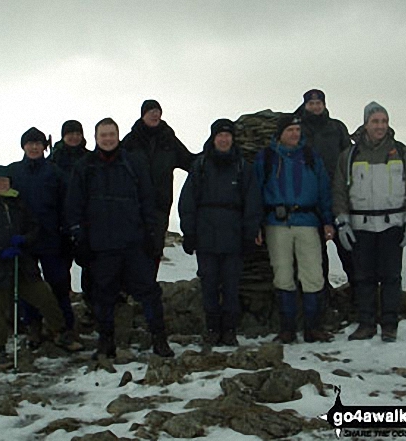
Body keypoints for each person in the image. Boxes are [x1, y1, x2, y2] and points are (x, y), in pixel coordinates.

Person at [66, 117, 174, 359]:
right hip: (101, 246)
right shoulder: (85, 167)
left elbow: (148, 200)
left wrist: (151, 235)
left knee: (149, 292)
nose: (107, 139)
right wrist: (79, 239)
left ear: (117, 135)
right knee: (103, 296)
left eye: (111, 134)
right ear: (95, 138)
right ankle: (106, 343)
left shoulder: (133, 163)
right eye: (103, 135)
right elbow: (74, 206)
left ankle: (159, 339)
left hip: (133, 243)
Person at [333, 102, 406, 342]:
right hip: (360, 226)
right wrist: (342, 221)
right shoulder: (350, 156)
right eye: (375, 121)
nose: (380, 126)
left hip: (392, 225)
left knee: (392, 276)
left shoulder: (403, 153)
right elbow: (339, 190)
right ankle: (366, 324)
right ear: (365, 124)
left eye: (384, 121)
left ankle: (390, 325)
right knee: (363, 277)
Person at [0, 166, 71, 368]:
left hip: (22, 264)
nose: (2, 184)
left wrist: (24, 240)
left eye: (5, 180)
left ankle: (61, 332)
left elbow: (34, 227)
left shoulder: (19, 204)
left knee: (44, 295)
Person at [178, 119, 262, 346]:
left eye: (227, 135)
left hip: (233, 237)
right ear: (213, 138)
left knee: (232, 285)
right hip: (206, 237)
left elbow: (253, 203)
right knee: (209, 285)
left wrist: (249, 234)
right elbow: (187, 201)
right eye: (220, 135)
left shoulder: (243, 167)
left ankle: (230, 330)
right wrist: (189, 232)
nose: (224, 139)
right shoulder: (201, 166)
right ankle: (213, 328)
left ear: (232, 138)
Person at [255, 115, 335, 344]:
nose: (295, 134)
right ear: (280, 133)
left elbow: (324, 190)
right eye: (290, 129)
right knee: (282, 275)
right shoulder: (267, 158)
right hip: (276, 223)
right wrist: (257, 224)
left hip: (308, 221)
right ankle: (287, 329)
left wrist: (327, 221)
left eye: (297, 130)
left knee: (313, 275)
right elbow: (256, 193)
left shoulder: (311, 157)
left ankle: (313, 328)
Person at [8, 127, 82, 351]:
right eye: (30, 143)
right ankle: (33, 327)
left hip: (52, 238)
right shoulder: (13, 173)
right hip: (24, 241)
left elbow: (67, 204)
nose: (34, 147)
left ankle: (64, 328)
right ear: (23, 146)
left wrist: (69, 231)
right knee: (29, 287)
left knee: (58, 284)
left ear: (44, 146)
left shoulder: (55, 172)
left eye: (38, 143)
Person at [122, 99, 195, 269]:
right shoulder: (130, 142)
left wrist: (211, 152)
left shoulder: (169, 139)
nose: (155, 114)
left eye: (158, 111)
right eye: (151, 111)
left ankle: (148, 290)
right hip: (134, 206)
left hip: (160, 206)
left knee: (154, 250)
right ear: (143, 115)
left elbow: (190, 162)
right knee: (132, 251)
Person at [295, 89, 353, 286]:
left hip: (337, 195)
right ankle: (322, 301)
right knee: (315, 255)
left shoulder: (337, 128)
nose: (315, 106)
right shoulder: (297, 129)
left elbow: (349, 157)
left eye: (318, 102)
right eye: (311, 103)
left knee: (348, 250)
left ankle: (358, 296)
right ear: (305, 106)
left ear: (324, 104)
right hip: (309, 198)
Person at [49, 120, 92, 305]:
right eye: (70, 133)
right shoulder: (54, 160)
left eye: (77, 133)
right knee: (61, 272)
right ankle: (63, 308)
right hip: (61, 224)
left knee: (90, 268)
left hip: (87, 222)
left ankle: (90, 304)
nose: (74, 137)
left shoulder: (91, 158)